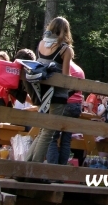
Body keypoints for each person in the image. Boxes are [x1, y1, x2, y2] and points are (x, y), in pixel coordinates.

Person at [26, 17, 74, 163]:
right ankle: (33, 170)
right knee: (48, 132)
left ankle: (26, 165)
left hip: (42, 92)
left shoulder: (41, 44)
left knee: (42, 130)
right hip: (57, 94)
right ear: (66, 30)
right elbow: (66, 76)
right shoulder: (66, 49)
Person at [46, 61, 84, 165]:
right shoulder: (78, 69)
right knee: (66, 140)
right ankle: (61, 171)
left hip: (65, 103)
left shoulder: (64, 67)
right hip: (76, 106)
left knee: (52, 138)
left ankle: (53, 171)